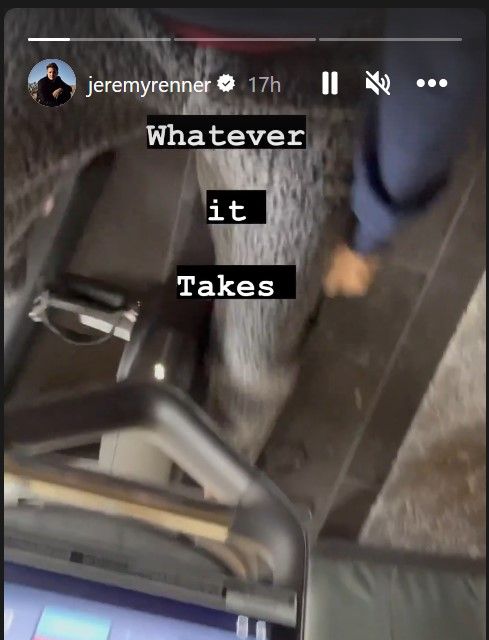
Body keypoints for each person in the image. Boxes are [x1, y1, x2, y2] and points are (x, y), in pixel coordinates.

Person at [4, 9, 485, 461]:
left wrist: (375, 218)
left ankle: (224, 451)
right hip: (90, 26)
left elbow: (441, 41)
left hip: (286, 70)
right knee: (260, 330)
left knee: (258, 334)